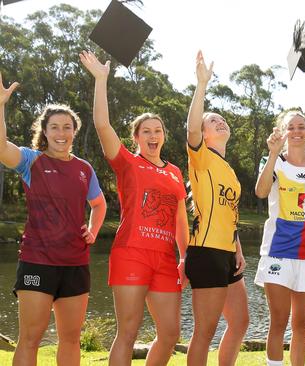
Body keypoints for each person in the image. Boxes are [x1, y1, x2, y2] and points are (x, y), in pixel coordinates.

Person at [80, 51, 189, 365]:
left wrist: (185, 255)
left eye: (158, 131)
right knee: (127, 331)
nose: (153, 135)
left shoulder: (174, 172)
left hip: (166, 259)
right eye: (146, 131)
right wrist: (101, 80)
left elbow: (180, 216)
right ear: (136, 138)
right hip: (132, 252)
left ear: (164, 136)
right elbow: (102, 124)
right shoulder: (128, 162)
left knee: (170, 333)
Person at [0, 73, 107, 366]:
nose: (62, 132)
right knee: (31, 338)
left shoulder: (84, 169)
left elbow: (99, 204)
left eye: (67, 127)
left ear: (75, 131)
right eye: (55, 127)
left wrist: (94, 231)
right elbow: (1, 148)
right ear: (45, 131)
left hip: (75, 264)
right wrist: (1, 105)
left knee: (71, 339)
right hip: (38, 261)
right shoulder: (30, 160)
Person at [184, 51, 249, 366]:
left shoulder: (230, 171)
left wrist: (237, 248)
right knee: (204, 331)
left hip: (226, 253)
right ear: (206, 133)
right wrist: (201, 85)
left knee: (240, 323)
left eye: (221, 119)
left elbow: (230, 215)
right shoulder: (201, 157)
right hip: (205, 252)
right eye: (212, 120)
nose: (218, 121)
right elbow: (192, 131)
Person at [254, 111, 305, 366]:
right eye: (291, 127)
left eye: (302, 127)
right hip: (277, 251)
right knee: (278, 321)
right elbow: (261, 191)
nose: (297, 131)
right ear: (283, 131)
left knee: (302, 324)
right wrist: (274, 153)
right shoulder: (273, 160)